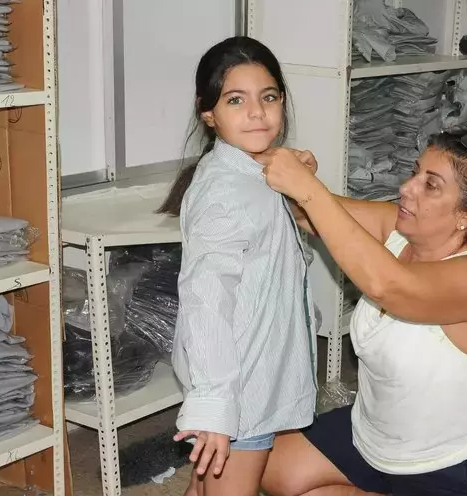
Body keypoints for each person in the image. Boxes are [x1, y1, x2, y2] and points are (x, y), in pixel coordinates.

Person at [256, 130, 467, 495]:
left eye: (432, 185)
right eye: (415, 172)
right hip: (375, 439)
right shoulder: (397, 228)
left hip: (458, 464)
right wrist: (291, 176)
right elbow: (309, 214)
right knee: (269, 467)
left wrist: (309, 190)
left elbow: (389, 286)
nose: (408, 188)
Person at [157, 36, 317, 495]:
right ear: (208, 112)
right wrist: (215, 405)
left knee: (204, 486)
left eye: (268, 97)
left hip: (244, 371)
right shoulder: (226, 194)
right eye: (235, 100)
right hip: (243, 384)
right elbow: (205, 300)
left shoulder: (247, 172)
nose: (257, 113)